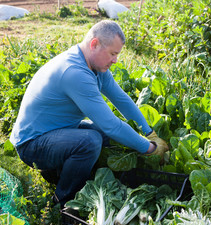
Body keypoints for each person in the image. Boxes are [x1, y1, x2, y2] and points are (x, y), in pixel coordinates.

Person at [9, 20, 169, 208]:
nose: (115, 60)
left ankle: (60, 172)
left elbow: (121, 99)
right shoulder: (75, 72)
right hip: (31, 144)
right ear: (94, 44)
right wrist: (149, 148)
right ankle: (62, 200)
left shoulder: (94, 65)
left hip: (56, 131)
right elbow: (111, 123)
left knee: (104, 135)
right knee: (90, 140)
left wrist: (150, 133)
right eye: (112, 54)